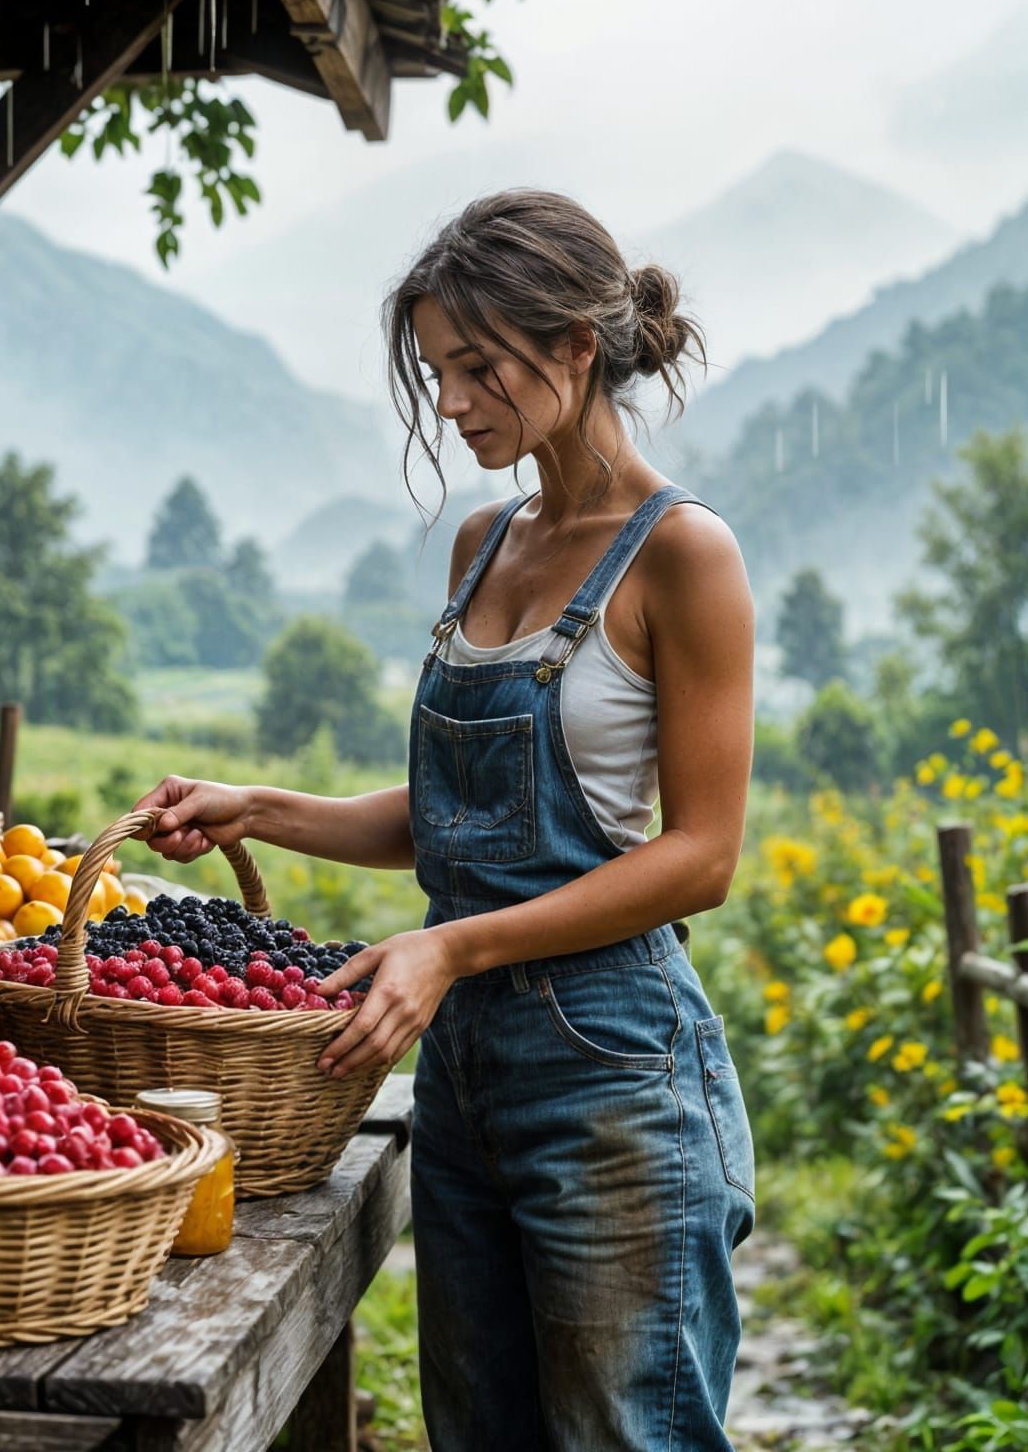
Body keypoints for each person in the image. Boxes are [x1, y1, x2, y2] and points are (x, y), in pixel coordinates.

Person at [133, 189, 756, 1451]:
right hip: (464, 1073)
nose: (454, 401)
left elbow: (701, 859)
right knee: (481, 1431)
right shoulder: (485, 541)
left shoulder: (683, 556)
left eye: (478, 367)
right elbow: (455, 827)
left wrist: (453, 947)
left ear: (577, 349)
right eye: (437, 371)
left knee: (623, 1434)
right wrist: (263, 807)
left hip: (613, 1066)